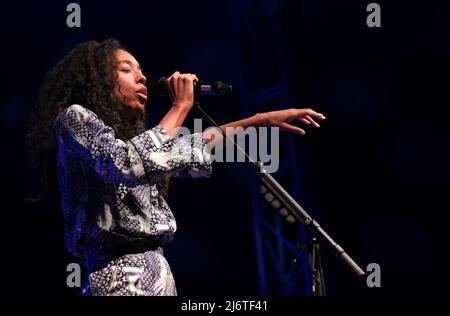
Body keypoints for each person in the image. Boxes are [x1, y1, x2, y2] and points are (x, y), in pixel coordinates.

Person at [25, 38, 325, 296]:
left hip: (156, 275)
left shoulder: (135, 142)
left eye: (142, 72)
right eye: (126, 70)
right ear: (96, 80)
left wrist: (259, 121)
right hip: (118, 277)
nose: (143, 79)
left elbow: (195, 146)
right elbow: (128, 164)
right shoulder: (74, 118)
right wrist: (179, 107)